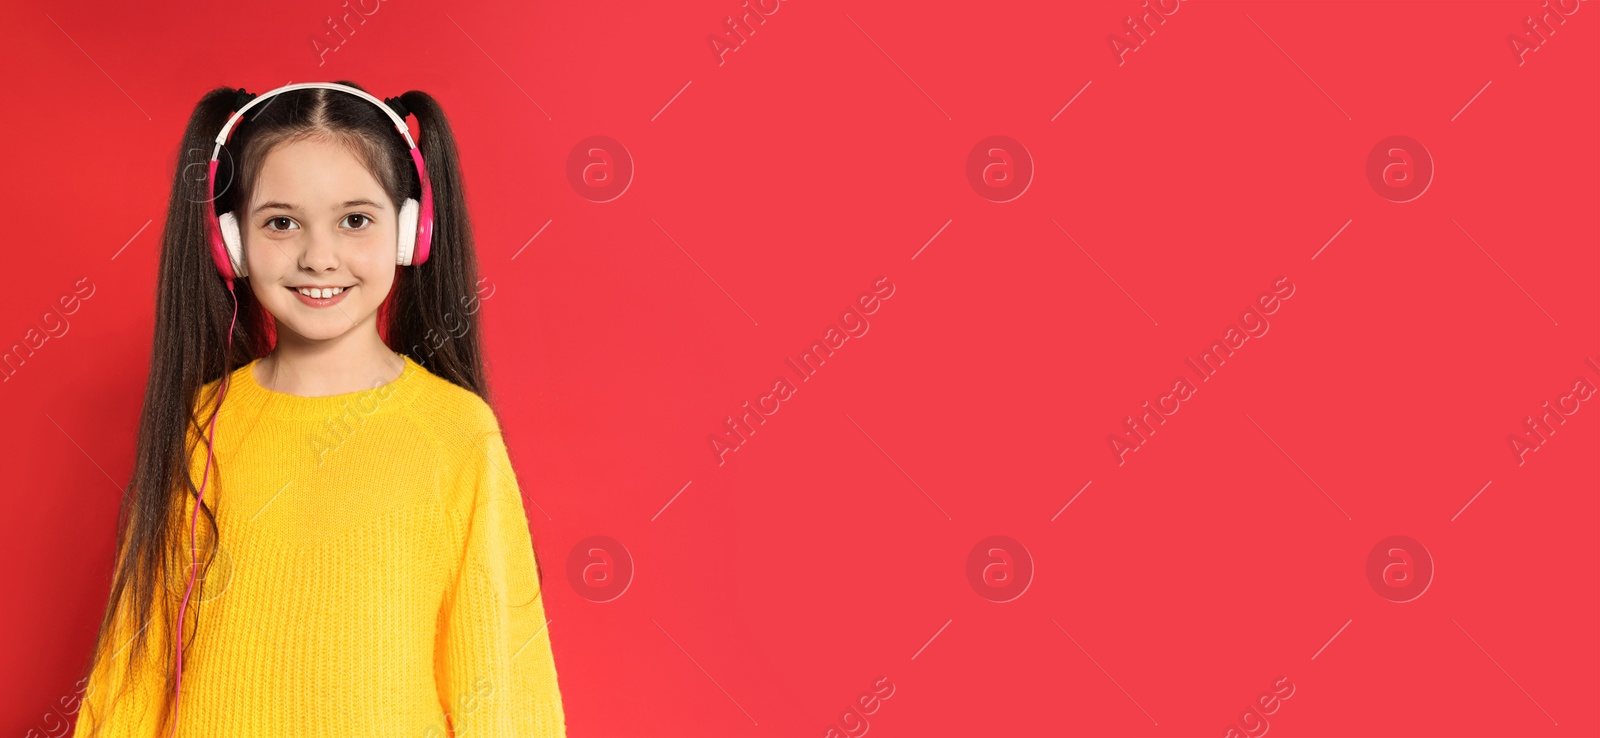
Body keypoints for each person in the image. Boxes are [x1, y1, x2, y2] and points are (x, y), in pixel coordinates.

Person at [71, 81, 566, 737]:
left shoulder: (457, 433)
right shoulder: (200, 423)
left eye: (355, 219)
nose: (318, 255)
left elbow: (501, 685)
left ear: (410, 231)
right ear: (232, 243)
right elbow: (133, 670)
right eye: (281, 222)